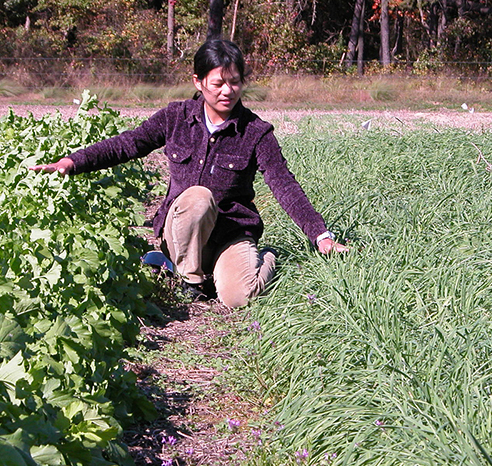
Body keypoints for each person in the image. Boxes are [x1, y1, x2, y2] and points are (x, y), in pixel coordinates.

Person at [30, 38, 347, 307]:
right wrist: (73, 162)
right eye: (218, 83)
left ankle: (264, 257)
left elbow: (284, 185)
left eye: (235, 82)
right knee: (198, 197)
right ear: (198, 82)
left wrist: (321, 235)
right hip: (181, 232)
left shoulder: (256, 132)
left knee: (239, 297)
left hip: (229, 236)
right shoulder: (175, 117)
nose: (227, 91)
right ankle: (189, 281)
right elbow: (128, 144)